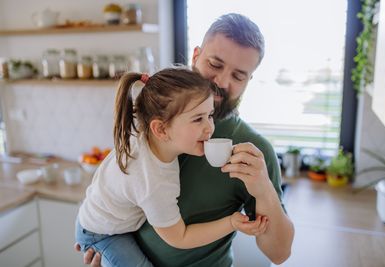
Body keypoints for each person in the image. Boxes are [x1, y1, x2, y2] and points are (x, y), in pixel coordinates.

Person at [77, 13, 294, 266]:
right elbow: (111, 183)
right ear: (195, 56)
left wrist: (264, 189)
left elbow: (279, 254)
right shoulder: (151, 115)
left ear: (249, 80)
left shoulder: (252, 151)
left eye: (238, 76)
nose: (222, 82)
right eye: (215, 64)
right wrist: (96, 236)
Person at [75, 67, 268, 267]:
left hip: (95, 217)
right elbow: (180, 237)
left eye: (210, 115)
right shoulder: (153, 182)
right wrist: (231, 223)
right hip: (101, 233)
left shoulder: (145, 127)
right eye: (197, 119)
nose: (210, 127)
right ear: (160, 129)